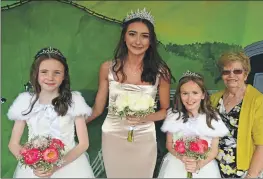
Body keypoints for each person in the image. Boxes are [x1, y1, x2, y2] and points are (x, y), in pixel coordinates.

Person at [86, 8, 174, 178]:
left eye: (145, 36)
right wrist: (74, 123)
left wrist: (145, 117)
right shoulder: (108, 68)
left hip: (144, 137)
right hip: (113, 135)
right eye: (132, 34)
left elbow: (165, 111)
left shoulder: (161, 73)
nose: (138, 41)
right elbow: (97, 109)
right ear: (124, 37)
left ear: (151, 41)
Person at [7, 47, 95, 178]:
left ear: (64, 75)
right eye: (44, 72)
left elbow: (83, 144)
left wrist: (56, 166)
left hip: (70, 166)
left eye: (57, 73)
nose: (50, 77)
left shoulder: (74, 100)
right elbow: (13, 144)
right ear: (36, 74)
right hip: (35, 170)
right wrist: (32, 164)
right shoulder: (25, 101)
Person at [158, 70, 229, 178]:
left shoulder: (212, 117)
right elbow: (169, 143)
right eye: (185, 93)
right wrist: (182, 157)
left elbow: (214, 150)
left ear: (203, 95)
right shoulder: (174, 115)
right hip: (176, 164)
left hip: (204, 167)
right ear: (179, 95)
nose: (190, 98)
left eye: (195, 93)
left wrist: (198, 165)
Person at [210, 52, 263, 178]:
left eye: (237, 71)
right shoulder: (214, 99)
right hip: (214, 168)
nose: (231, 76)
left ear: (246, 74)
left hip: (243, 171)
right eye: (226, 72)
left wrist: (251, 175)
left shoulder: (258, 101)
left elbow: (261, 144)